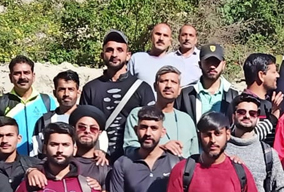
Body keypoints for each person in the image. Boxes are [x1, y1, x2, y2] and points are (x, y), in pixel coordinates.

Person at [79, 30, 155, 161]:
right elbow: (82, 126)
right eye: (109, 50)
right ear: (102, 55)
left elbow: (152, 125)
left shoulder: (142, 88)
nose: (114, 54)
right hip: (97, 160)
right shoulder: (90, 89)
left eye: (120, 50)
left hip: (134, 160)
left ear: (128, 55)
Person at [227, 94, 284, 192]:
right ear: (233, 116)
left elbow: (280, 190)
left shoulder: (268, 153)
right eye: (241, 112)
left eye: (252, 113)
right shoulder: (222, 150)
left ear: (258, 118)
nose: (247, 116)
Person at [0, 55, 56, 156]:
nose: (22, 77)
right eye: (17, 73)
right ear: (10, 77)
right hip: (11, 164)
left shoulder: (47, 101)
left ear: (33, 76)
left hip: (41, 163)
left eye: (26, 72)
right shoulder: (1, 103)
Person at [124, 65, 199, 157]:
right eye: (164, 81)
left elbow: (194, 155)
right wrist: (161, 149)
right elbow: (129, 149)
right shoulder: (138, 114)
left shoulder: (186, 119)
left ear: (179, 90)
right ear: (155, 86)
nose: (168, 85)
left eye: (174, 82)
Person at [176, 43, 239, 124]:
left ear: (223, 65)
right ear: (200, 64)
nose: (212, 66)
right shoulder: (185, 94)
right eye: (208, 62)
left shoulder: (234, 94)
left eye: (216, 62)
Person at [31, 70, 81, 157]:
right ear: (54, 93)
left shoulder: (88, 119)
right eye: (62, 89)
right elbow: (36, 153)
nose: (66, 94)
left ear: (78, 92)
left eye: (71, 89)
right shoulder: (45, 121)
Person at [241, 53, 283, 143]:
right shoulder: (242, 104)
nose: (277, 76)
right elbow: (247, 138)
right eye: (274, 72)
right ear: (261, 75)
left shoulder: (270, 102)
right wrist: (272, 118)